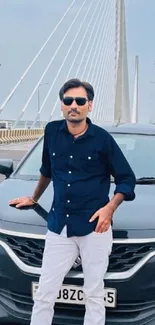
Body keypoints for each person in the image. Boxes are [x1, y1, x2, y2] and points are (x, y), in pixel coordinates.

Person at [9, 78, 136, 325]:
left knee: (94, 294)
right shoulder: (51, 132)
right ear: (61, 105)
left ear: (90, 105)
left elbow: (126, 179)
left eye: (80, 101)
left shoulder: (103, 140)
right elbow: (47, 169)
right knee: (45, 292)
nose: (74, 105)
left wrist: (110, 209)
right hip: (59, 227)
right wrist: (34, 198)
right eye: (68, 101)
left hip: (94, 228)